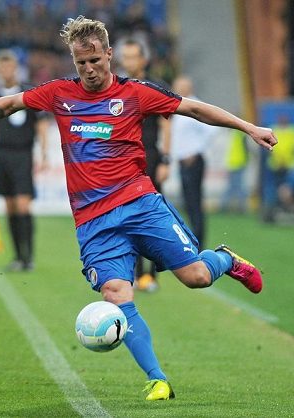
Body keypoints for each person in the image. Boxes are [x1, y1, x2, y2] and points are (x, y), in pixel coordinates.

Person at [0, 16, 277, 400]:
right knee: (116, 293)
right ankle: (157, 378)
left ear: (109, 54)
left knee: (196, 276)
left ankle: (226, 260)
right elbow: (8, 104)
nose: (89, 69)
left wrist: (249, 128)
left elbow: (193, 110)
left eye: (95, 60)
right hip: (94, 222)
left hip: (140, 205)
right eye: (81, 63)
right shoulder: (59, 93)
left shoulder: (136, 94)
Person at [0, 49, 49, 272]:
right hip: (3, 155)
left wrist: (44, 152)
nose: (6, 71)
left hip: (23, 155)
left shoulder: (28, 94)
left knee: (24, 204)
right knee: (10, 206)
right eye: (2, 67)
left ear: (16, 68)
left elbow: (41, 125)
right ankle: (17, 256)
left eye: (10, 66)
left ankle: (28, 256)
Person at [118, 37, 171, 292]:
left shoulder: (155, 86)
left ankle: (153, 273)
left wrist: (165, 159)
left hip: (150, 156)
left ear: (143, 59)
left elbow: (166, 124)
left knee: (153, 215)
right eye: (125, 57)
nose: (128, 62)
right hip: (126, 160)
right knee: (130, 216)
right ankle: (138, 274)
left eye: (133, 57)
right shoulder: (117, 87)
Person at [170, 75, 220, 250]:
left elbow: (211, 131)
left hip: (193, 160)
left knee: (195, 202)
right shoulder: (178, 106)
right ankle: (193, 239)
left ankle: (199, 243)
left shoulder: (196, 106)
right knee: (188, 203)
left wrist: (196, 150)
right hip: (183, 160)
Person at [220, 128, 250, 213]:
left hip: (234, 163)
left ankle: (225, 206)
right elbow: (246, 148)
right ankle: (241, 207)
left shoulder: (233, 134)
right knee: (238, 187)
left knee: (232, 187)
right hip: (238, 162)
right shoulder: (240, 134)